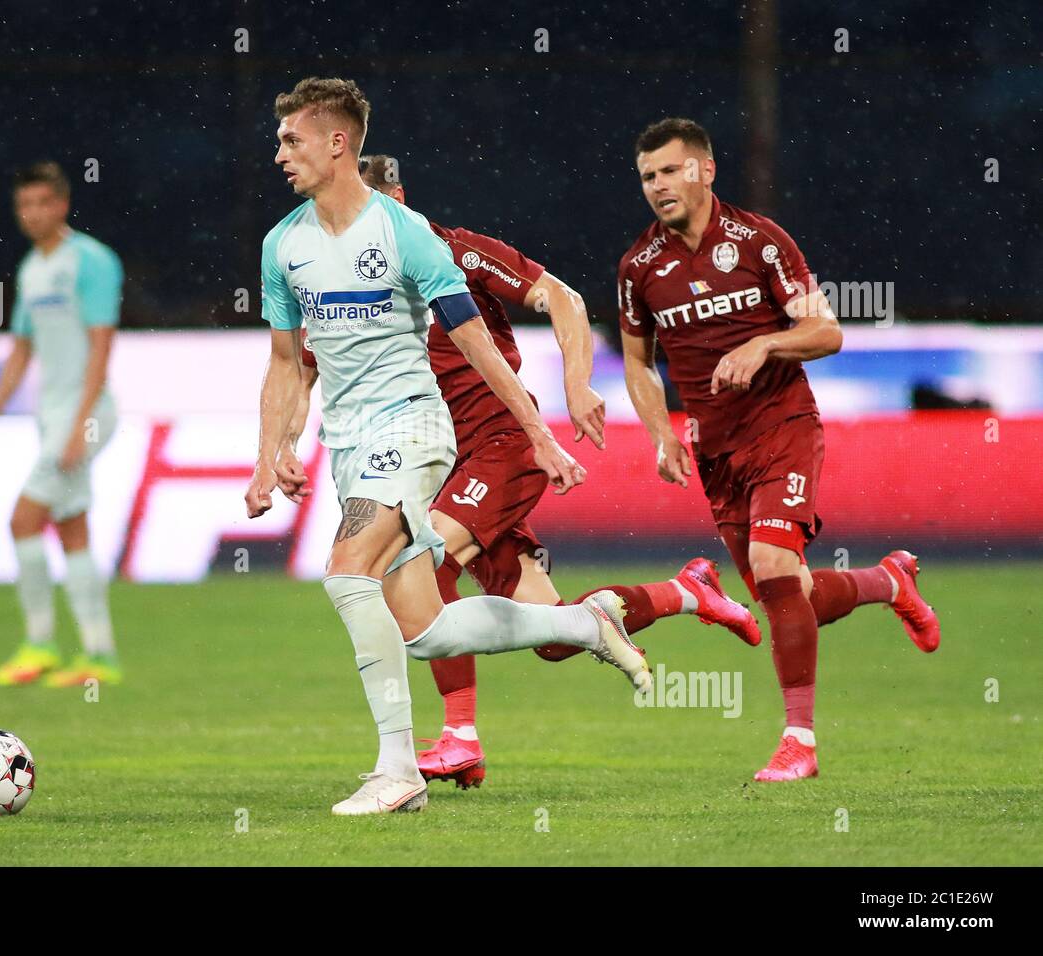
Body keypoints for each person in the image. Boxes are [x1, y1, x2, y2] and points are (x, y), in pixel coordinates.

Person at [282, 154, 761, 790]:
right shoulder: (342, 285)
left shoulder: (455, 254)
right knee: (555, 636)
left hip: (502, 448)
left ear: (398, 196)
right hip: (436, 467)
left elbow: (561, 297)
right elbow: (301, 369)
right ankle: (683, 592)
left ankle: (458, 736)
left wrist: (577, 383)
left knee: (420, 571)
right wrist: (284, 445)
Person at [247, 77, 650, 816]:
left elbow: (471, 335)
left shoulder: (408, 236)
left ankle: (396, 772)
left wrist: (540, 431)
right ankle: (582, 622)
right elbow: (285, 362)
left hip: (414, 428)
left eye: (291, 139)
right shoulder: (283, 246)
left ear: (339, 144)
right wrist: (269, 451)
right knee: (423, 629)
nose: (279, 153)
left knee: (345, 572)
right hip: (352, 441)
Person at [617, 118, 940, 781]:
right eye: (648, 176)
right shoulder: (639, 268)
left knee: (771, 566)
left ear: (706, 170)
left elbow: (826, 331)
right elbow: (636, 363)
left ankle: (800, 743)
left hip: (782, 427)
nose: (658, 186)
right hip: (714, 452)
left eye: (672, 170)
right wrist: (659, 432)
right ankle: (887, 582)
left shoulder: (760, 243)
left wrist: (765, 342)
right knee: (782, 592)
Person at [0, 161, 124, 689]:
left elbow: (102, 345)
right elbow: (20, 351)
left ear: (61, 205)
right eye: (24, 206)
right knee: (72, 530)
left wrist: (78, 423)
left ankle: (39, 643)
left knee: (21, 521)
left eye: (42, 203)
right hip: (53, 418)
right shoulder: (30, 269)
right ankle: (99, 656)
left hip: (85, 416)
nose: (33, 214)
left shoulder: (91, 261)